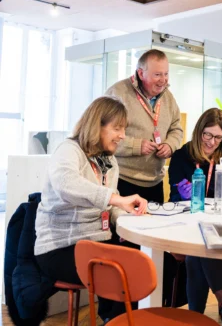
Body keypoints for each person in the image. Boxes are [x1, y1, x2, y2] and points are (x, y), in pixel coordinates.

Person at [34, 96, 148, 323]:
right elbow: (67, 185)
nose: (123, 136)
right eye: (117, 128)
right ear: (97, 126)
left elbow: (110, 206)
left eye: (123, 129)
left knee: (140, 262)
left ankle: (118, 320)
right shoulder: (68, 150)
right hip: (60, 248)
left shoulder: (109, 162)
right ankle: (114, 320)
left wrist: (128, 217)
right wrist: (117, 200)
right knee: (120, 272)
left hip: (97, 243)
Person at [169, 108, 222, 326]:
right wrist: (182, 194)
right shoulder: (181, 156)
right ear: (198, 132)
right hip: (187, 224)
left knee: (202, 246)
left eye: (218, 137)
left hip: (220, 222)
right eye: (208, 135)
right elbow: (173, 197)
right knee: (201, 246)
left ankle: (196, 318)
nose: (212, 142)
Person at [106, 49, 183, 204]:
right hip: (122, 180)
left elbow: (176, 128)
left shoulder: (168, 97)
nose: (163, 80)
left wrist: (170, 145)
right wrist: (136, 146)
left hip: (155, 182)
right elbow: (105, 135)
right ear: (141, 74)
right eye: (157, 75)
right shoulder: (118, 93)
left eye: (166, 74)